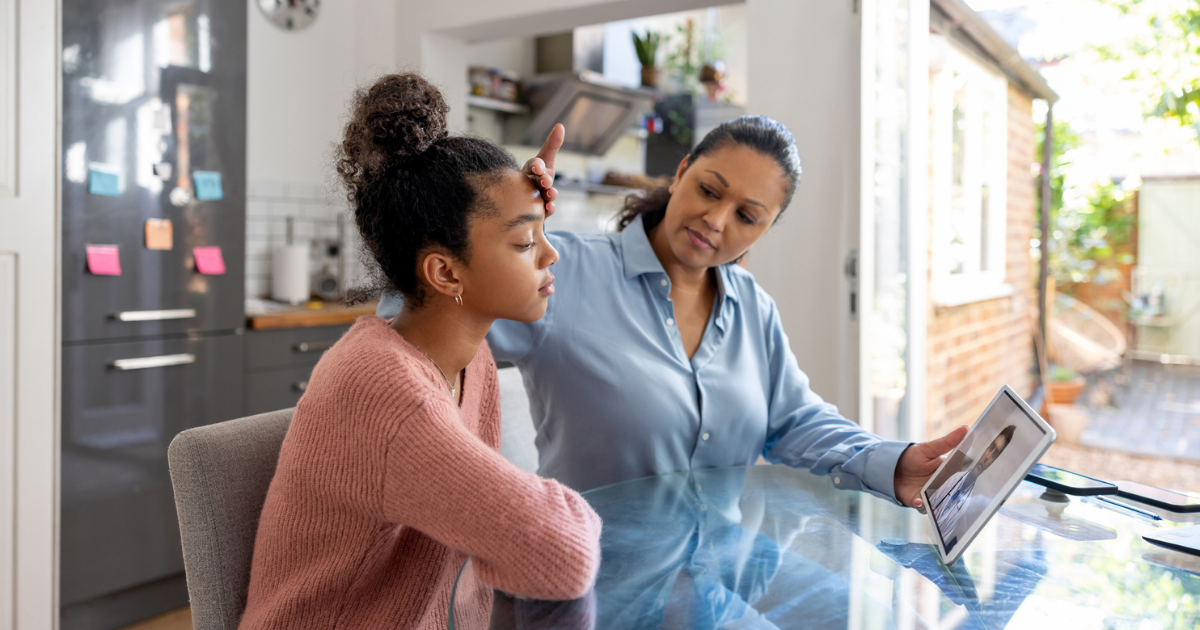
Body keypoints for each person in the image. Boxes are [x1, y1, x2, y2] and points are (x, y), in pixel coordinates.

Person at [379, 118, 967, 506]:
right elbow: (407, 325)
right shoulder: (563, 273)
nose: (717, 220)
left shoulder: (752, 309)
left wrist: (893, 464)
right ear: (681, 172)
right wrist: (499, 225)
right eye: (710, 191)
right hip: (586, 588)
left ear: (764, 231)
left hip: (720, 593)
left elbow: (793, 421)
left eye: (747, 215)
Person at [239, 74, 602, 630]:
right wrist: (566, 514)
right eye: (526, 242)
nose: (551, 255)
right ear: (444, 271)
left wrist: (517, 205)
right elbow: (563, 553)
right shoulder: (384, 388)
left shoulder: (467, 357)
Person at [929, 425, 1017, 549]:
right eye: (991, 449)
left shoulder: (970, 504)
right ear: (986, 449)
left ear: (994, 461)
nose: (988, 457)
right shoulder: (955, 478)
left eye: (995, 454)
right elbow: (930, 505)